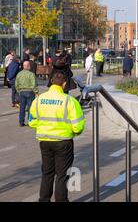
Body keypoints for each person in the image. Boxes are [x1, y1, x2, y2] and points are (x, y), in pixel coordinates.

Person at [29, 72, 85, 202]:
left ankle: (43, 199)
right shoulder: (69, 101)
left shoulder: (39, 99)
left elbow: (32, 120)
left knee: (47, 173)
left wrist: (44, 126)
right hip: (63, 141)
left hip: (45, 140)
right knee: (62, 175)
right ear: (64, 84)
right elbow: (78, 126)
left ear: (51, 82)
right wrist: (74, 132)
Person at [15, 61, 39, 127]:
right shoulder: (31, 74)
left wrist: (19, 91)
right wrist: (37, 92)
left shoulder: (19, 74)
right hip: (30, 91)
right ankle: (30, 121)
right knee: (30, 108)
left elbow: (16, 84)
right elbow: (34, 84)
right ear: (28, 66)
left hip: (22, 92)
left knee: (22, 108)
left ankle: (21, 122)